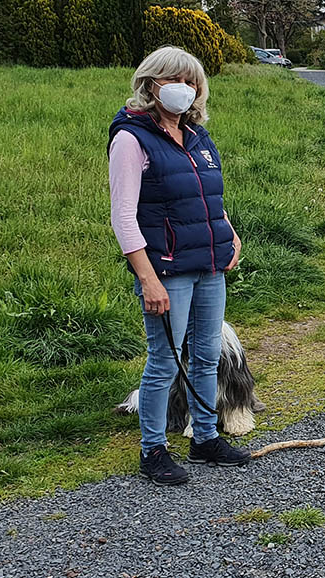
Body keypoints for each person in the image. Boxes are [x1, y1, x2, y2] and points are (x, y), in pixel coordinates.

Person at [109, 46, 250, 486]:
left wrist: (230, 234)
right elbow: (123, 217)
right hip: (167, 270)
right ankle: (153, 450)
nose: (184, 89)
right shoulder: (131, 138)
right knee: (165, 362)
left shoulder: (198, 138)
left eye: (191, 82)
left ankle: (205, 438)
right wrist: (147, 278)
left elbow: (209, 199)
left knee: (206, 357)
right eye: (175, 80)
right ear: (151, 83)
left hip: (209, 265)